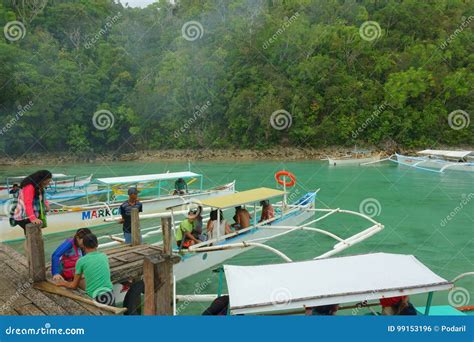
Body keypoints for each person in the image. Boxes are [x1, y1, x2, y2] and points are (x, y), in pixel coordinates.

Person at [56, 233, 115, 306]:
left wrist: (63, 283)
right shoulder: (104, 256)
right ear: (97, 244)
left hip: (95, 297)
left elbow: (73, 285)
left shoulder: (81, 261)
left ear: (83, 246)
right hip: (110, 293)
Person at [10, 170, 52, 236]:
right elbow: (27, 203)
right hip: (24, 217)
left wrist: (46, 205)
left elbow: (42, 196)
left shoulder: (40, 186)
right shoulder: (29, 186)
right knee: (33, 236)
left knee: (33, 236)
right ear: (42, 179)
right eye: (48, 181)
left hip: (33, 214)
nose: (49, 183)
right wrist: (33, 218)